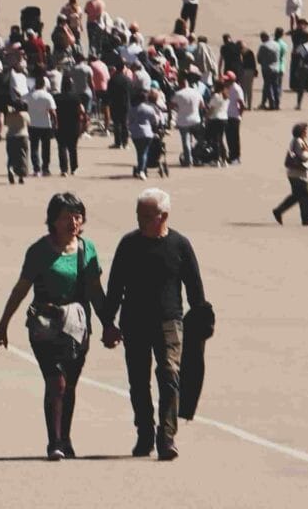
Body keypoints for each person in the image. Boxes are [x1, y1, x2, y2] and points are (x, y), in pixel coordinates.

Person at [0, 190, 107, 461]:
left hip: (78, 329)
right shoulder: (40, 251)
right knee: (56, 381)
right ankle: (54, 442)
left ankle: (65, 438)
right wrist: (3, 325)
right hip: (45, 327)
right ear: (53, 221)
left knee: (70, 385)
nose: (74, 223)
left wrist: (109, 325)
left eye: (78, 217)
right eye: (67, 217)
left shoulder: (86, 249)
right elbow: (21, 289)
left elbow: (95, 291)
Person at [103, 187, 206, 462]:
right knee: (138, 381)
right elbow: (114, 287)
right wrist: (108, 323)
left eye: (147, 215)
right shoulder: (128, 244)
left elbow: (195, 288)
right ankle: (145, 433)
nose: (141, 220)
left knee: (169, 376)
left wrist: (201, 321)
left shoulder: (180, 245)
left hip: (170, 322)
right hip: (134, 323)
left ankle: (167, 436)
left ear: (164, 216)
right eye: (139, 215)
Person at [272, 121, 308, 226]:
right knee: (304, 195)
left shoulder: (300, 141)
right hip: (298, 174)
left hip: (301, 173)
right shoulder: (298, 141)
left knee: (298, 196)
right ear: (301, 131)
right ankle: (305, 218)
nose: (307, 132)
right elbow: (303, 156)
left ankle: (306, 218)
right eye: (305, 130)